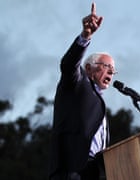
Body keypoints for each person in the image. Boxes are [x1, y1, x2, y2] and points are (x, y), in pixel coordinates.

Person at [49, 3, 117, 180]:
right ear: (88, 68)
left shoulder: (99, 102)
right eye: (107, 66)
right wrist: (85, 36)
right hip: (71, 170)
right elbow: (68, 64)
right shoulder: (77, 83)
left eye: (113, 69)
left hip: (94, 172)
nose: (111, 71)